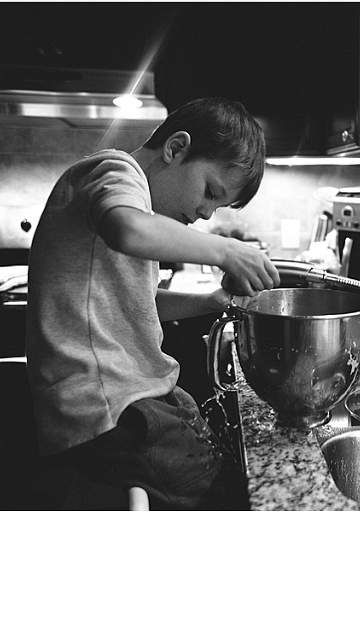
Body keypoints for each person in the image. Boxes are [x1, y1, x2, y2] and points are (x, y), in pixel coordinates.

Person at [26, 97, 280, 510]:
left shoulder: (138, 207)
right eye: (210, 192)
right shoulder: (114, 171)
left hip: (121, 399)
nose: (204, 213)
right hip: (104, 405)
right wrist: (227, 250)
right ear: (176, 149)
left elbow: (136, 304)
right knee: (233, 496)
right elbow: (127, 229)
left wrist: (211, 301)